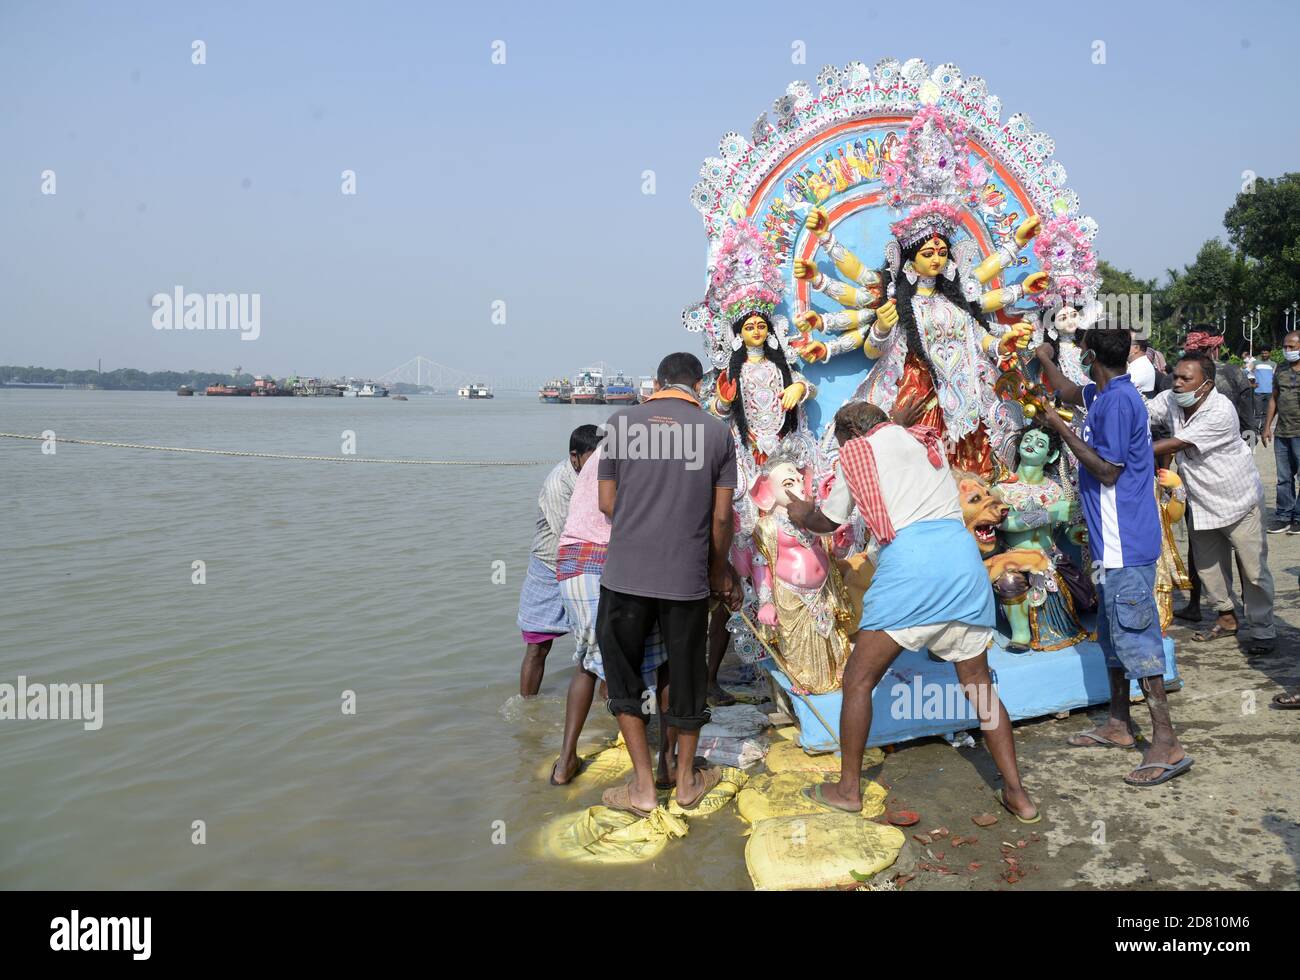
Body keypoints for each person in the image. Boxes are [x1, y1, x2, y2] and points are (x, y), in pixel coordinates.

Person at [786, 400, 1040, 821]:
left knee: (858, 679)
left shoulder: (858, 453)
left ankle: (849, 790)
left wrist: (801, 513)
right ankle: (1018, 794)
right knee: (978, 686)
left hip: (911, 568)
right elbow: (897, 441)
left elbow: (829, 521)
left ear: (851, 434)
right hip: (962, 565)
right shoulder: (926, 441)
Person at [1034, 324, 1192, 786]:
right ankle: (1119, 724)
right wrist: (1044, 358)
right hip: (1108, 543)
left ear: (1091, 358)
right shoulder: (1102, 392)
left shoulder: (1120, 402)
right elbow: (1066, 388)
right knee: (1113, 635)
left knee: (1136, 637)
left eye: (1080, 354)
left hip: (1126, 540)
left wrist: (1058, 425)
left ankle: (1167, 742)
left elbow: (1106, 471)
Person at [595, 352, 741, 816]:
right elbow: (721, 519)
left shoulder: (620, 423)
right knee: (686, 676)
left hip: (625, 575)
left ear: (658, 382)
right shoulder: (718, 433)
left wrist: (644, 527)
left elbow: (605, 502)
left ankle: (641, 787)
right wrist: (719, 572)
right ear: (698, 384)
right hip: (686, 578)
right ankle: (683, 783)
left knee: (623, 675)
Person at [549, 446, 672, 785]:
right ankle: (662, 768)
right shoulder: (649, 451)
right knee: (657, 659)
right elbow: (614, 507)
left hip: (574, 560)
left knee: (591, 661)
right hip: (613, 559)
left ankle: (565, 762)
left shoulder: (610, 448)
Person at [1145, 353, 1275, 655]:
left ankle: (1263, 629)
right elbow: (1144, 413)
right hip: (1201, 499)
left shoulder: (1220, 410)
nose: (1177, 383)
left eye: (1185, 378)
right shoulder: (1172, 398)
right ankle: (1226, 618)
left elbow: (1175, 444)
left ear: (1206, 384)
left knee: (1254, 570)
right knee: (1208, 569)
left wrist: (1123, 455)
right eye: (1175, 376)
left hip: (1238, 499)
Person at [517, 425, 601, 696]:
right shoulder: (558, 483)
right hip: (550, 567)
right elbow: (571, 532)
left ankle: (606, 712)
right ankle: (528, 706)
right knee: (538, 646)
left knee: (599, 644)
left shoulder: (605, 474)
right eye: (593, 456)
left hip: (590, 565)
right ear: (574, 456)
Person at [1262, 333, 1299, 535]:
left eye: (1292, 347)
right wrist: (1267, 426)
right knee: (1284, 477)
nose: (1288, 350)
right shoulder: (1282, 369)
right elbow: (1273, 399)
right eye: (1286, 347)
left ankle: (1299, 517)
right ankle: (1284, 515)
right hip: (1283, 432)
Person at [1253, 348, 1275, 435]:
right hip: (1258, 392)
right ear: (1260, 354)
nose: (1264, 355)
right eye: (1263, 353)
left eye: (1266, 353)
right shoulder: (1255, 363)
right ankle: (1255, 430)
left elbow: (1276, 377)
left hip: (1270, 392)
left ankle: (1263, 430)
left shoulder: (1273, 364)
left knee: (1267, 413)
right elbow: (1245, 371)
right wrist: (1251, 383)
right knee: (1257, 413)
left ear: (1269, 353)